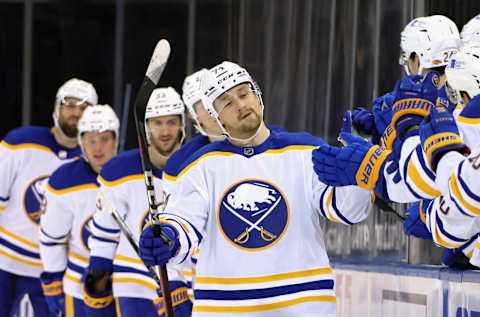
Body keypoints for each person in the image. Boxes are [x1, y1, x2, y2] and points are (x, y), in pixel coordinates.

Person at [139, 61, 373, 316]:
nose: (240, 104)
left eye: (244, 93)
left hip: (303, 306)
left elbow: (349, 211)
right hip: (227, 309)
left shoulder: (306, 152)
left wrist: (359, 166)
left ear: (258, 96)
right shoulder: (199, 167)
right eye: (226, 102)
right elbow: (183, 220)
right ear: (216, 118)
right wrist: (168, 237)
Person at [86, 87, 192, 316]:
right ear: (145, 127)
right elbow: (104, 233)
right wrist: (97, 276)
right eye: (157, 123)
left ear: (182, 124)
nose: (165, 131)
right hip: (133, 279)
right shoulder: (118, 170)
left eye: (172, 122)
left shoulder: (197, 165)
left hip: (186, 281)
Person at [0, 78, 97, 316]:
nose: (75, 112)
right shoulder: (18, 142)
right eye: (70, 104)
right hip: (3, 263)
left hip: (50, 275)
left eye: (84, 107)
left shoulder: (93, 165)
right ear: (56, 109)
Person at [39, 105, 120, 316]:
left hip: (124, 285)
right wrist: (54, 279)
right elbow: (52, 238)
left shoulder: (131, 175)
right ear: (82, 142)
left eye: (104, 139)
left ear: (116, 140)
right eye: (91, 140)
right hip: (78, 287)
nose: (97, 148)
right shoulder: (64, 179)